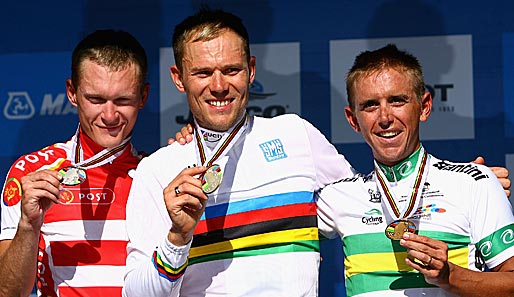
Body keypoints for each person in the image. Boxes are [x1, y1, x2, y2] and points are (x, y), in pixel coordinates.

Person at [122, 8, 356, 296]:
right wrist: (178, 238)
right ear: (178, 77)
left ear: (251, 70)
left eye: (231, 70)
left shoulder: (297, 136)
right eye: (203, 73)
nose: (219, 86)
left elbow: (360, 213)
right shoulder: (157, 171)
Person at [316, 44, 514, 296]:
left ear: (425, 106)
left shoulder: (474, 183)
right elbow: (267, 235)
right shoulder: (336, 198)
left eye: (397, 100)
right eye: (370, 105)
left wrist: (449, 276)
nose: (385, 117)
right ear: (353, 119)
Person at [0, 30, 149, 296]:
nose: (110, 115)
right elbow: (8, 292)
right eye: (96, 99)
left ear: (143, 97)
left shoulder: (158, 174)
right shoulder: (32, 172)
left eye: (122, 100)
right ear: (72, 93)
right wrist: (28, 226)